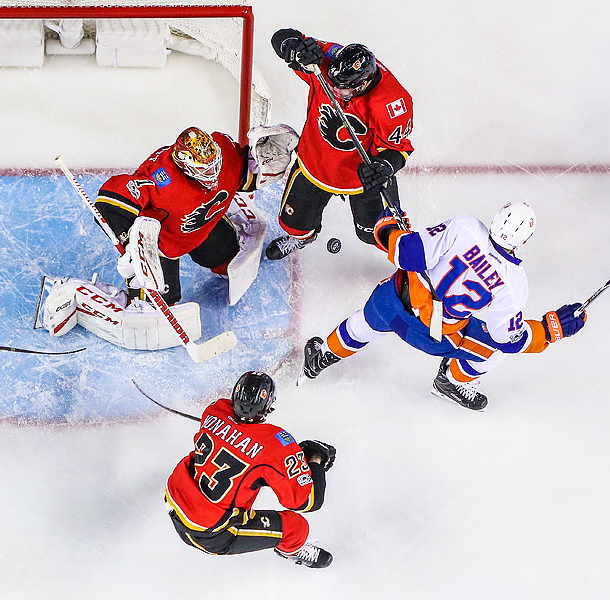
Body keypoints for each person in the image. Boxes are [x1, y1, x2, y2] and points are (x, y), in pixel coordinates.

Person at [300, 202, 588, 410]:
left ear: (498, 216)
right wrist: (550, 330)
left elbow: (408, 255)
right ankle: (450, 381)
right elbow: (508, 340)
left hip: (393, 302)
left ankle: (321, 355)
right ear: (524, 240)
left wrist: (388, 227)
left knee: (363, 323)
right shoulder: (514, 283)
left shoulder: (465, 227)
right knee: (493, 354)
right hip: (437, 336)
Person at [40, 125, 298, 351]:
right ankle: (73, 292)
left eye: (214, 166)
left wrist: (264, 157)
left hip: (204, 229)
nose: (213, 175)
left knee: (228, 260)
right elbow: (113, 200)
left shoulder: (224, 151)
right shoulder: (162, 177)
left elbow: (245, 174)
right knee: (153, 310)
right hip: (164, 246)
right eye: (204, 170)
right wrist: (130, 245)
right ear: (185, 166)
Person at [264, 29, 415, 260]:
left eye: (341, 90)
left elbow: (398, 149)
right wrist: (294, 48)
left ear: (363, 84)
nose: (333, 91)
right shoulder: (326, 62)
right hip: (314, 164)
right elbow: (281, 38)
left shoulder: (392, 103)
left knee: (377, 233)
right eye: (332, 85)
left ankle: (410, 258)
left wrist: (384, 166)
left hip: (359, 178)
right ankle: (304, 238)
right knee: (293, 224)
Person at [165, 371, 337, 569]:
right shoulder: (275, 444)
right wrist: (315, 461)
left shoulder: (214, 411)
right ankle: (292, 550)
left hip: (175, 498)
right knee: (296, 528)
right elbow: (308, 502)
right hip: (212, 533)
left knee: (253, 473)